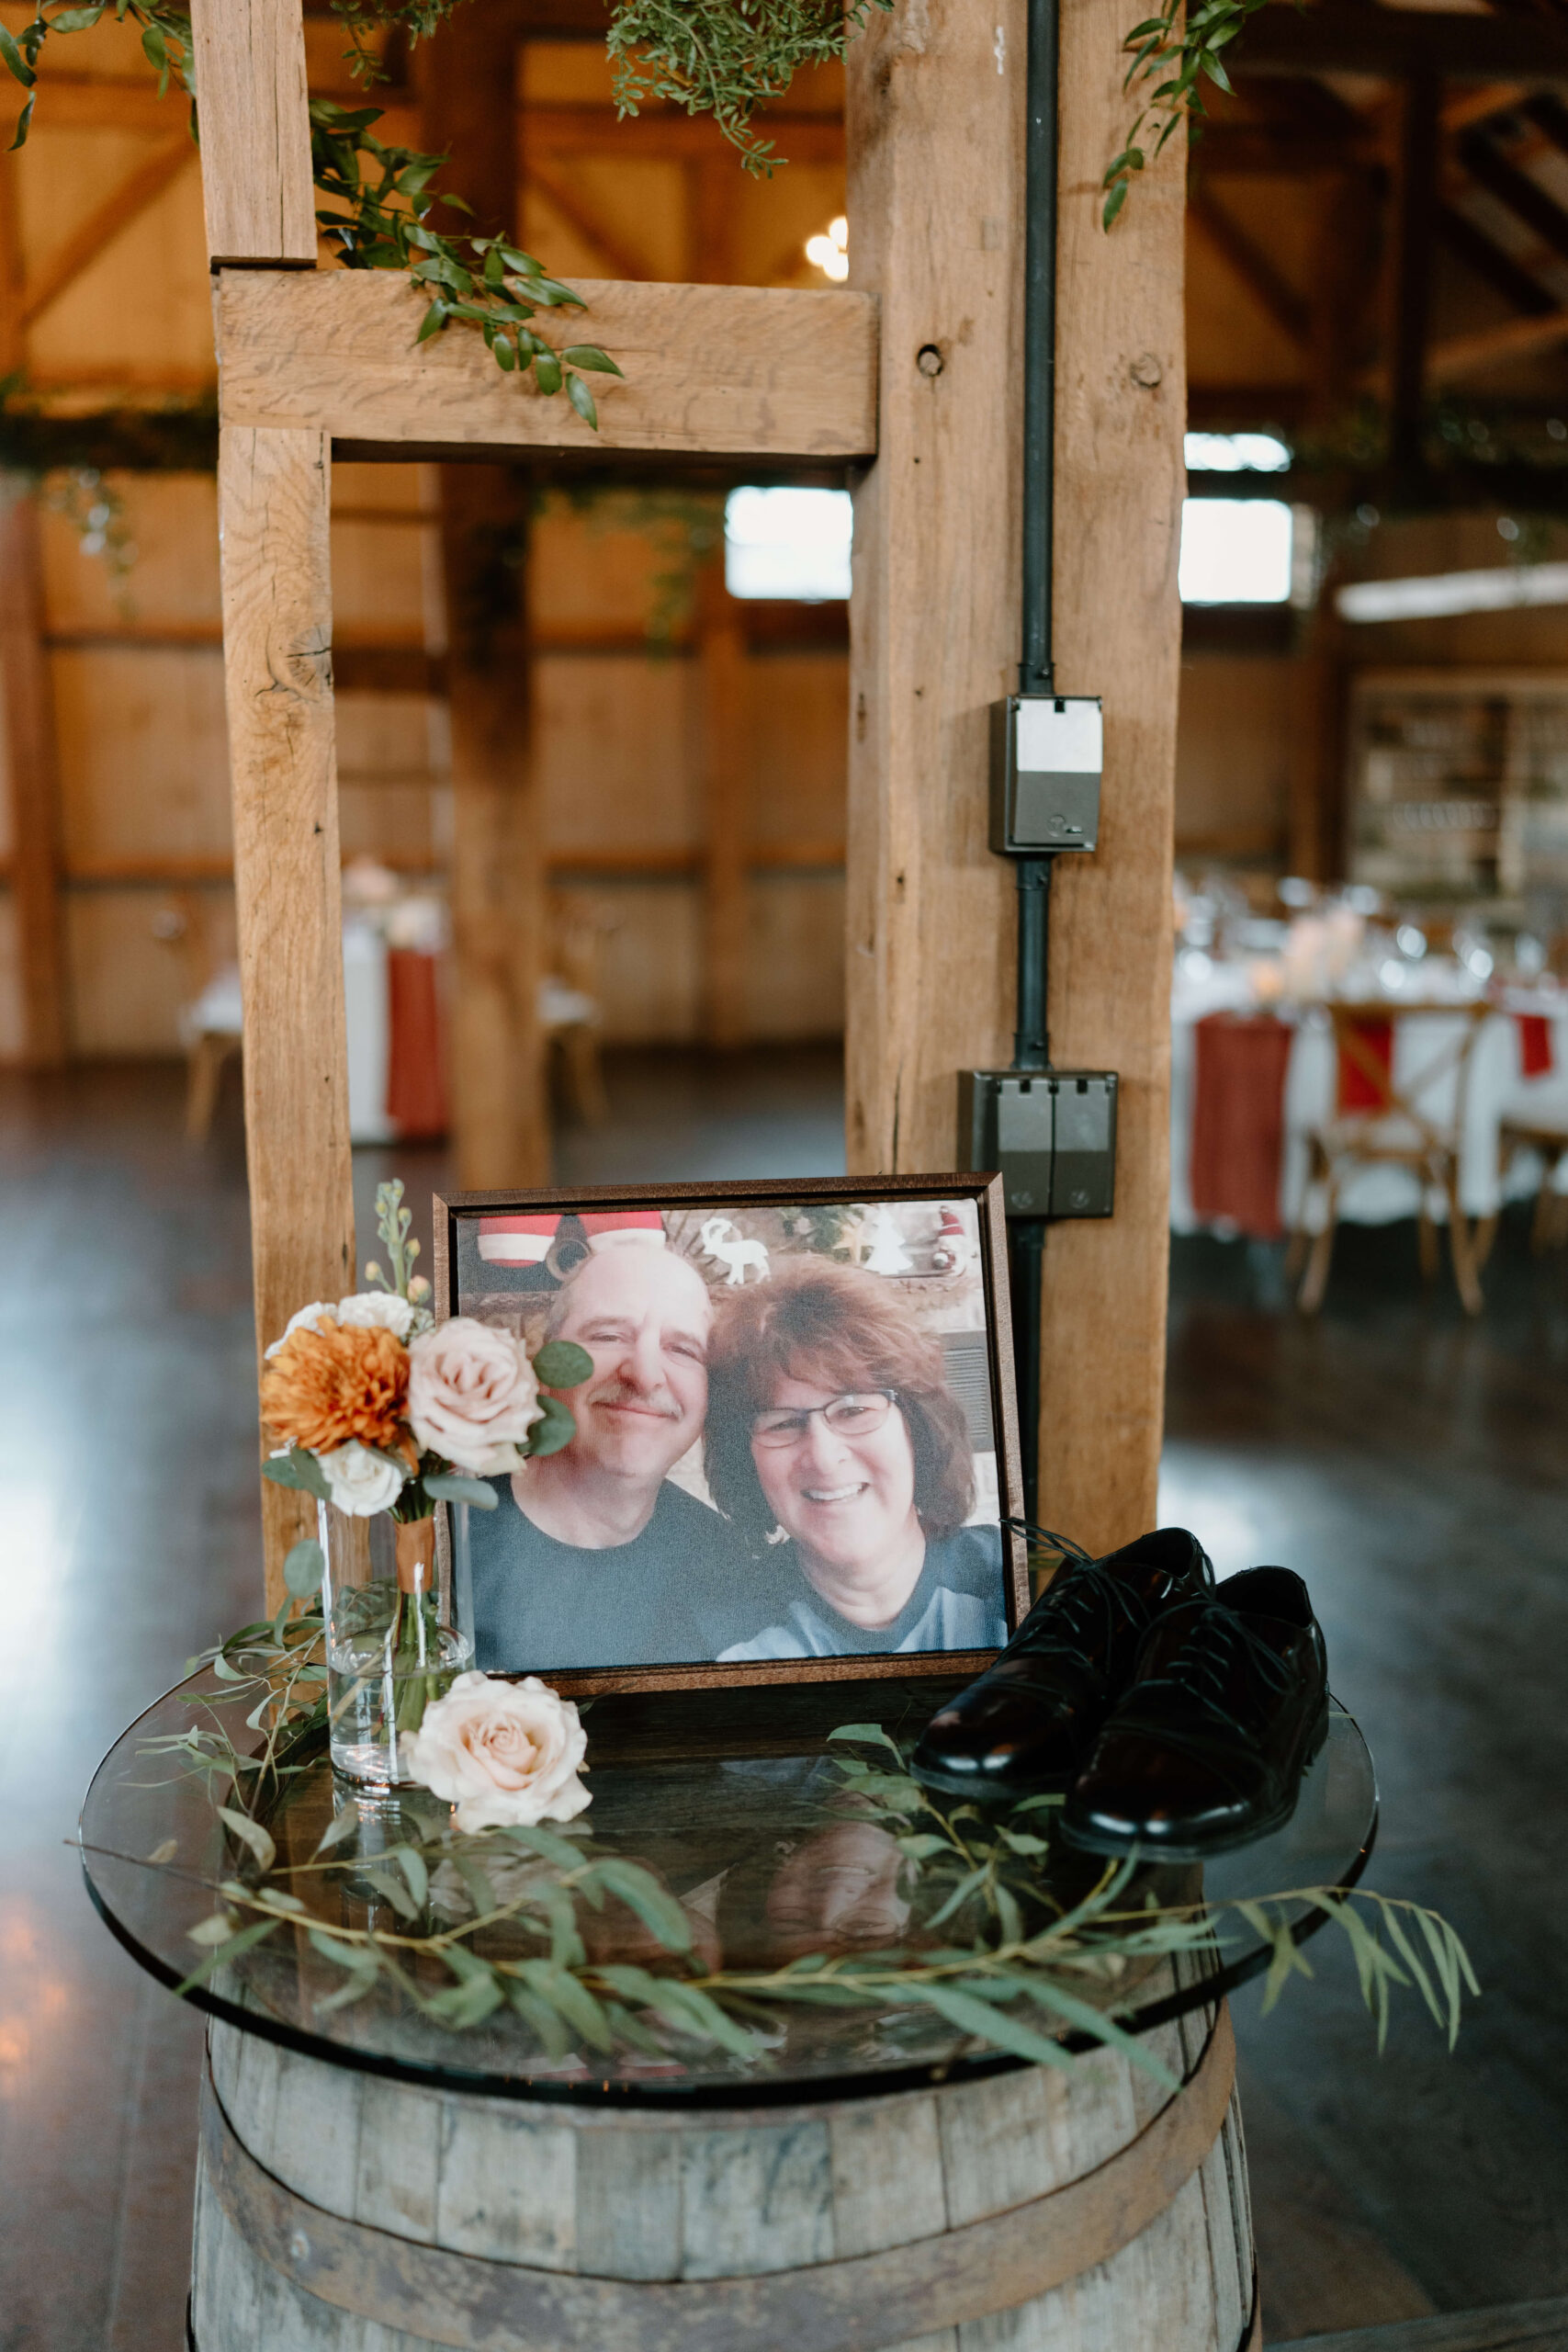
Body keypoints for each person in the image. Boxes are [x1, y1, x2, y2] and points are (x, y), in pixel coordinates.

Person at [468, 1242, 757, 1669]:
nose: (644, 1374)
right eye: (607, 1335)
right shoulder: (445, 1541)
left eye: (682, 1350)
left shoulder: (733, 1566)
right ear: (545, 1363)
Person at [703, 1259, 1009, 1661]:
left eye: (854, 1411)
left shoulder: (1024, 1583)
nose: (825, 1459)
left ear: (918, 1429)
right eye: (783, 1424)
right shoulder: (709, 1641)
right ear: (746, 1463)